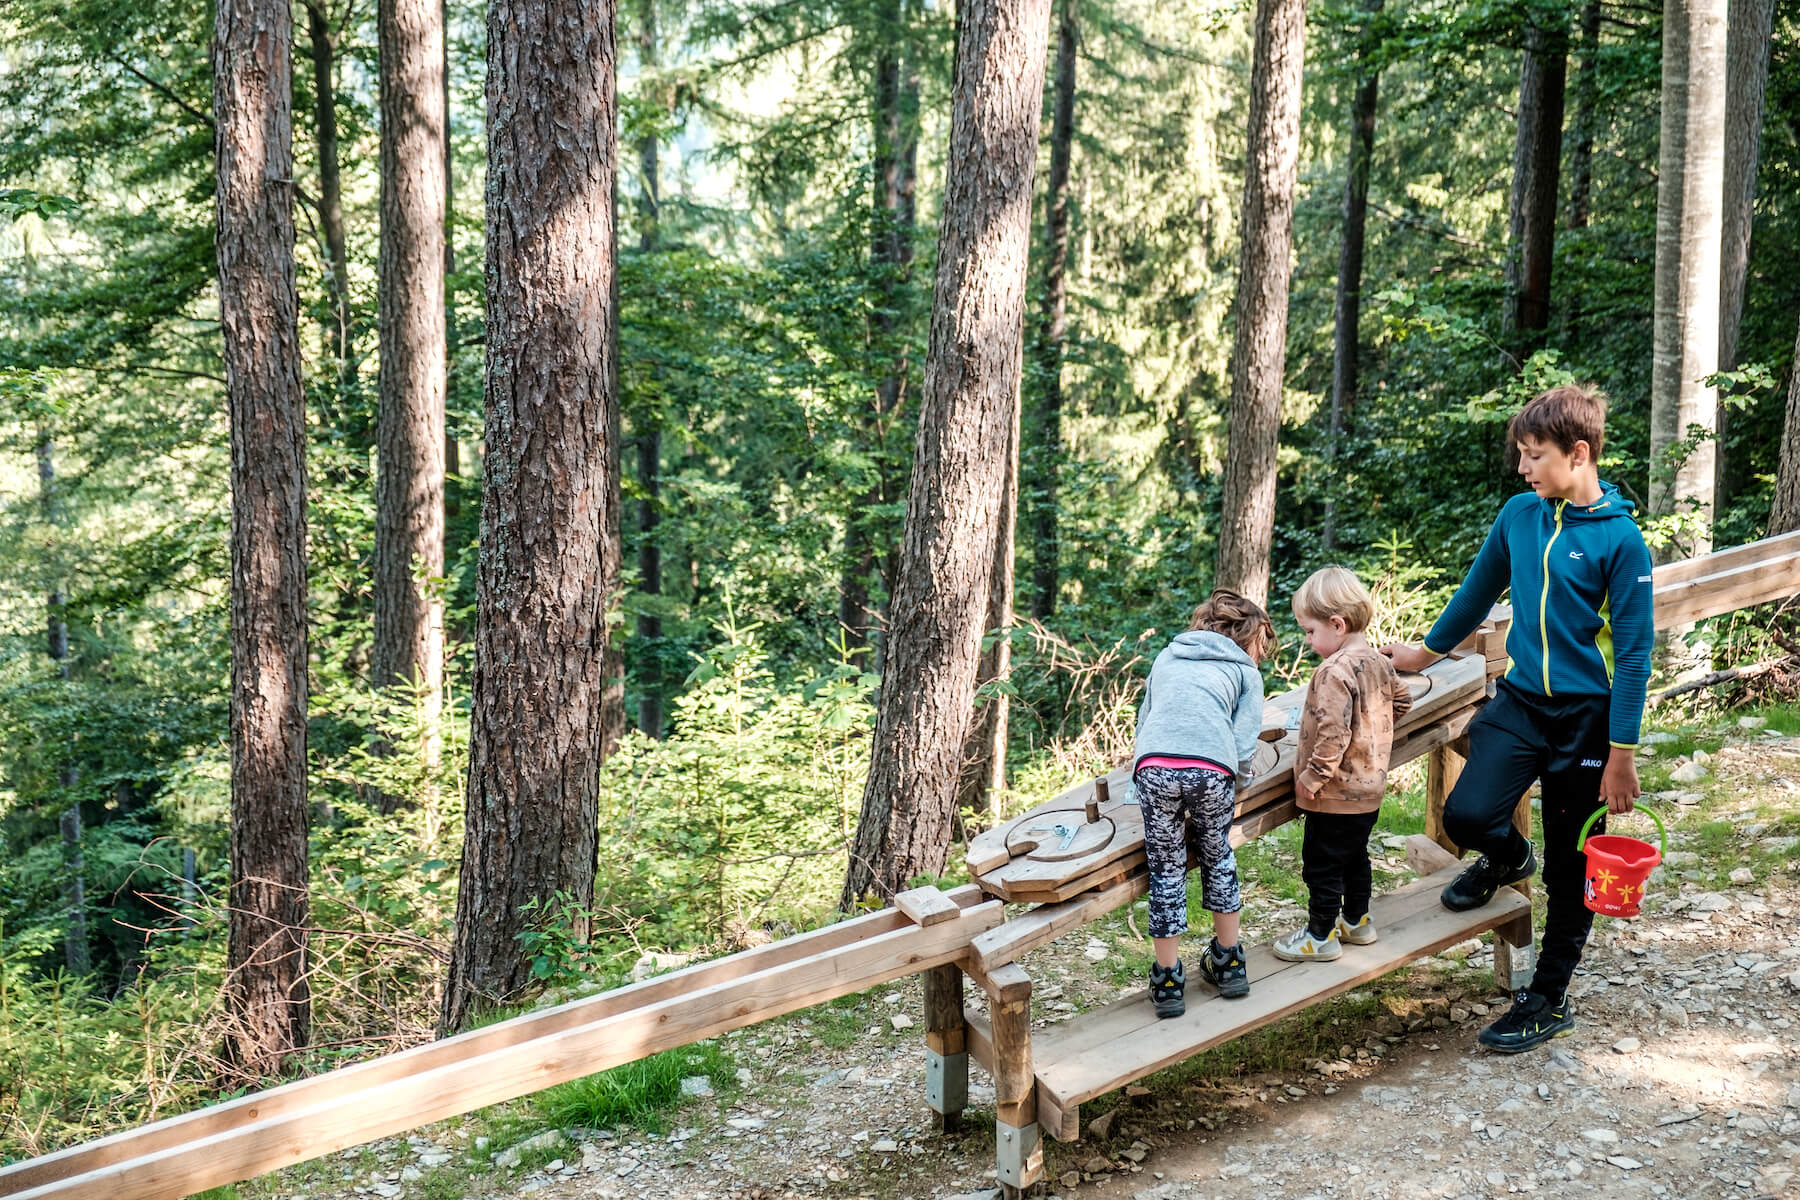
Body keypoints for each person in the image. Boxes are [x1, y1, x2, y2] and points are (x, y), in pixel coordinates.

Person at [1385, 384, 1652, 1052]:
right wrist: (1421, 655)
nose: (1524, 468)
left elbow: (1636, 654)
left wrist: (1622, 752)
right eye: (1523, 455)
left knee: (1570, 867)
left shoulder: (1622, 543)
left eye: (1535, 456)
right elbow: (1477, 590)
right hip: (1522, 701)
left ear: (1578, 454)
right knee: (1467, 815)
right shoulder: (1520, 516)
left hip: (1587, 722)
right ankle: (1506, 857)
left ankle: (1549, 996)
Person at [1133, 588, 1274, 1017]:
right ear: (1252, 638)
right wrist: (1241, 782)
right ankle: (1229, 963)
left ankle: (1168, 981)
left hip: (1154, 767)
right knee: (1217, 857)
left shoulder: (1166, 657)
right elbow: (1243, 742)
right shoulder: (1246, 671)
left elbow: (1146, 720)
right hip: (1211, 770)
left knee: (1166, 871)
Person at [1273, 567, 1413, 962]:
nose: (1307, 640)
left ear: (1337, 624)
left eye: (1309, 631)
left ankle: (1319, 936)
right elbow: (1402, 701)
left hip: (1334, 793)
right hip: (1369, 789)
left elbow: (1332, 734)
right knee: (1355, 855)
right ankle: (1357, 922)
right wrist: (1374, 735)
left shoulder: (1334, 671)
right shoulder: (1378, 661)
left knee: (1322, 864)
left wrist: (1313, 777)